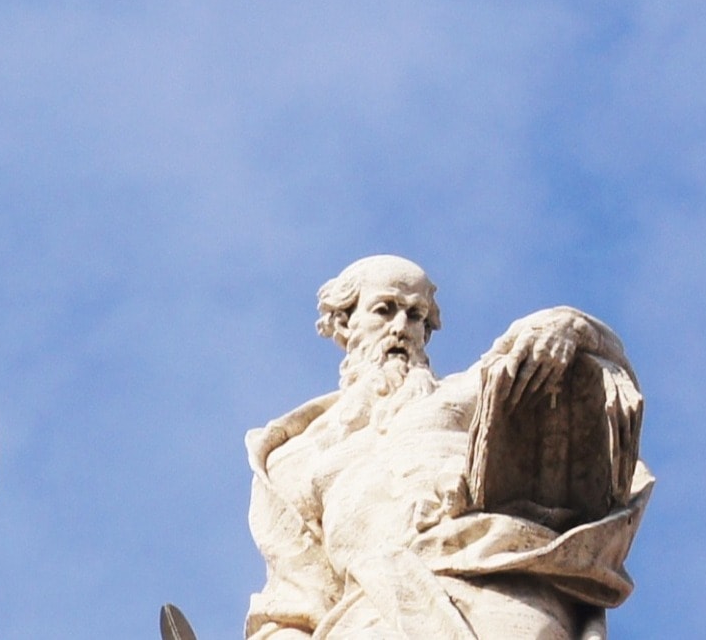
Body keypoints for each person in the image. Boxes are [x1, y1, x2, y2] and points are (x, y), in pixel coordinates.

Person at [243, 256, 649, 640]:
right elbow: (293, 603)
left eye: (416, 316)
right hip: (367, 614)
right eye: (385, 310)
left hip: (494, 587)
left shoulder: (465, 396)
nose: (401, 327)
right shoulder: (294, 456)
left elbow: (583, 362)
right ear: (344, 323)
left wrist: (567, 327)